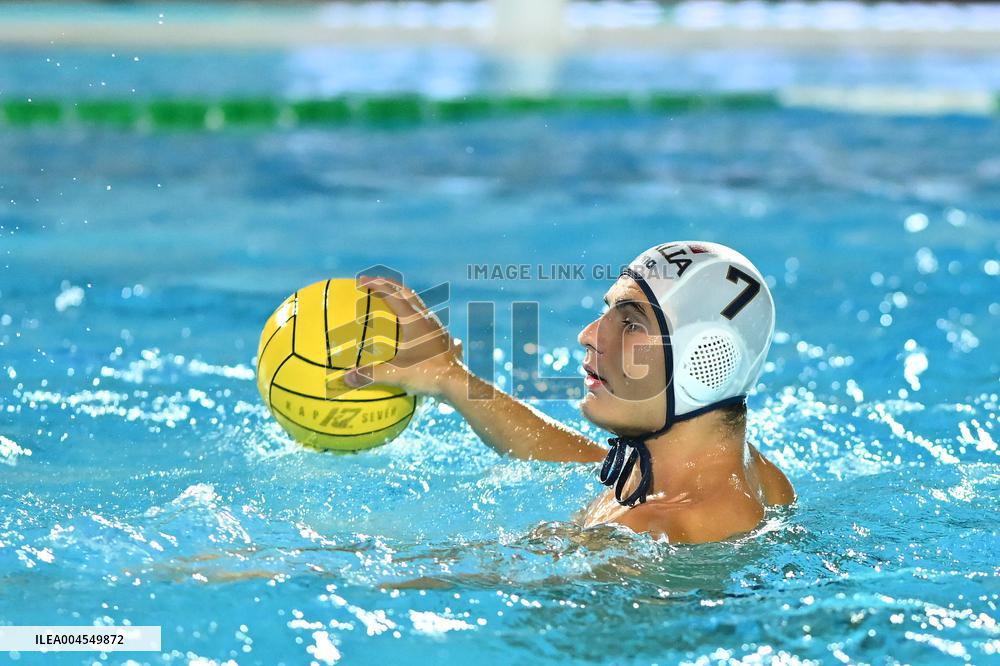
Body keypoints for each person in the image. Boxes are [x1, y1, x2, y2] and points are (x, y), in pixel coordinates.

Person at [343, 241, 795, 544]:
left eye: (631, 323)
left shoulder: (650, 531)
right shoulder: (742, 470)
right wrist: (450, 377)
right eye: (607, 312)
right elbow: (585, 460)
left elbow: (465, 576)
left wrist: (291, 564)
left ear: (706, 362)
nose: (590, 335)